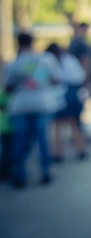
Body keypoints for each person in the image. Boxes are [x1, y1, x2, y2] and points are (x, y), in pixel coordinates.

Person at [3, 33, 62, 188]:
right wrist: (39, 78)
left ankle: (19, 174)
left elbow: (8, 88)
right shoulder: (46, 59)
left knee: (20, 141)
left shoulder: (13, 63)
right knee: (43, 139)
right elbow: (56, 80)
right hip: (43, 103)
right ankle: (45, 172)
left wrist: (23, 80)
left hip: (20, 106)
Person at [47, 44, 88, 162]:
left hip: (58, 94)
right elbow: (81, 76)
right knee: (73, 122)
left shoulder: (50, 61)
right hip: (71, 93)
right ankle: (81, 149)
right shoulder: (70, 59)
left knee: (57, 125)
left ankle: (57, 152)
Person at [68, 22, 91, 90]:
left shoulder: (73, 41)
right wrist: (87, 78)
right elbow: (85, 60)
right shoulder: (80, 43)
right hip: (79, 74)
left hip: (72, 76)